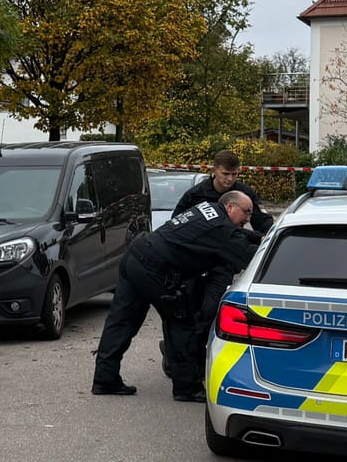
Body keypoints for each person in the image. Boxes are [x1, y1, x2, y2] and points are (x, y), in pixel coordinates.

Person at [92, 190, 259, 399]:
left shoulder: (208, 210)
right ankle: (186, 387)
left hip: (135, 257)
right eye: (246, 212)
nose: (248, 219)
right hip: (155, 270)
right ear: (231, 207)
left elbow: (238, 236)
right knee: (181, 323)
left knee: (122, 320)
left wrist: (261, 236)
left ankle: (104, 379)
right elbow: (247, 254)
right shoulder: (221, 228)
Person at [173, 149, 274, 236]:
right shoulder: (195, 195)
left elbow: (262, 222)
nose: (230, 179)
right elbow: (176, 224)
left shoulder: (245, 194)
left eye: (234, 174)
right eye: (225, 174)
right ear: (214, 171)